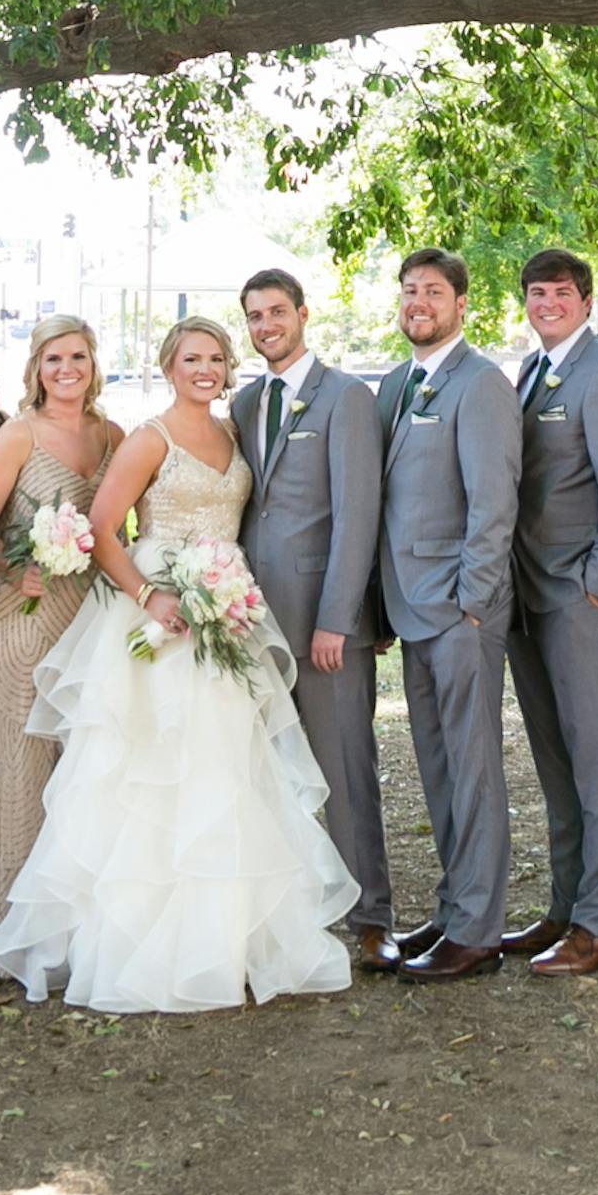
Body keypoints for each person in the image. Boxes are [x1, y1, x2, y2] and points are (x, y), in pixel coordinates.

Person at [0, 315, 355, 1014]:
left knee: (225, 765)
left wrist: (222, 589)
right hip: (160, 609)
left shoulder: (233, 434)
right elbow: (100, 528)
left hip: (224, 603)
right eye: (192, 358)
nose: (205, 369)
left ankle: (227, 939)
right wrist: (150, 594)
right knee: (150, 769)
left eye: (216, 358)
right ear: (168, 365)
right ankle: (136, 944)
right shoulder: (148, 438)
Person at [498, 248, 598, 975]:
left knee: (595, 756)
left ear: (587, 301)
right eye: (536, 292)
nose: (547, 302)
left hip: (581, 595)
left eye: (561, 292)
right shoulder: (530, 371)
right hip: (528, 596)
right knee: (555, 759)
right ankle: (565, 907)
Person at [231, 268, 390, 966]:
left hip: (325, 622)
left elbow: (358, 516)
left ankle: (372, 913)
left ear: (302, 314)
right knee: (269, 771)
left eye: (276, 313)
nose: (266, 326)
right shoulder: (243, 403)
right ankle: (297, 905)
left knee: (344, 768)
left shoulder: (347, 397)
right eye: (254, 317)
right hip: (250, 618)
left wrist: (338, 619)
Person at [374, 248, 520, 981]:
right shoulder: (398, 383)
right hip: (409, 608)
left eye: (433, 290)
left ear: (462, 303)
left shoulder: (483, 384)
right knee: (436, 769)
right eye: (409, 291)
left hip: (461, 612)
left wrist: (472, 601)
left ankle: (480, 932)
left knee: (472, 769)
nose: (418, 301)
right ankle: (454, 905)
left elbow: (493, 503)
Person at [0, 312, 122, 953]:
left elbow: (120, 527)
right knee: (23, 770)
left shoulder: (112, 434)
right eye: (54, 359)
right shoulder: (18, 435)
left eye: (77, 358)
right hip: (24, 620)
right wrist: (12, 567)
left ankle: (77, 929)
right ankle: (15, 934)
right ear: (36, 368)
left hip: (91, 620)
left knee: (83, 770)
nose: (67, 370)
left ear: (93, 363)